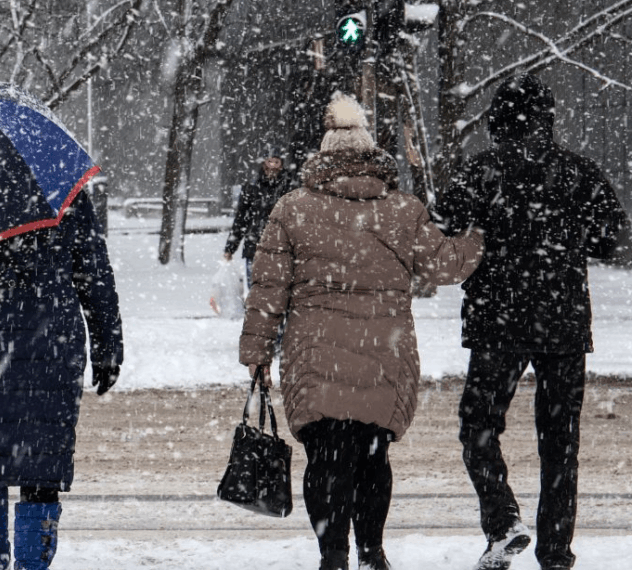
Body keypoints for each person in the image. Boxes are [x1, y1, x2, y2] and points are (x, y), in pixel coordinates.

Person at [239, 93, 484, 570]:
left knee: (325, 459)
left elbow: (268, 288)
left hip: (315, 355)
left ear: (323, 157)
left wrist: (258, 351)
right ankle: (372, 551)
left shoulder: (292, 208)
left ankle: (333, 555)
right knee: (373, 457)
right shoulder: (403, 209)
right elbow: (446, 266)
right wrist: (479, 233)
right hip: (385, 352)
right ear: (374, 157)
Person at [432, 74, 630, 570]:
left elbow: (442, 227)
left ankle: (502, 522)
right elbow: (610, 240)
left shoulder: (482, 172)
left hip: (498, 319)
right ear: (547, 118)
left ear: (498, 120)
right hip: (562, 322)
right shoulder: (578, 173)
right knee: (560, 442)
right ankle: (556, 552)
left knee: (478, 425)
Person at [0, 189, 123, 570]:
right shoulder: (65, 192)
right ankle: (33, 565)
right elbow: (94, 273)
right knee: (41, 465)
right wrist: (107, 345)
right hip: (51, 341)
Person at [223, 153, 290, 284]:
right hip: (254, 246)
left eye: (276, 162)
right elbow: (241, 218)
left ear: (281, 164)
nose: (273, 166)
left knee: (278, 290)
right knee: (254, 286)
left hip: (281, 247)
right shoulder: (251, 187)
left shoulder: (289, 187)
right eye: (270, 162)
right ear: (264, 163)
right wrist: (230, 247)